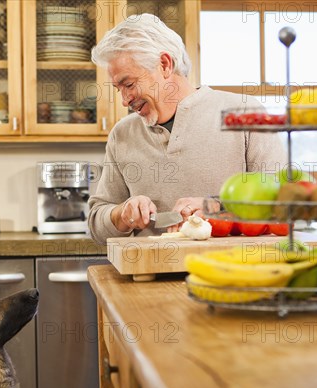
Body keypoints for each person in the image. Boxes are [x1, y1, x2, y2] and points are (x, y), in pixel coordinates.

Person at [88, 13, 286, 245]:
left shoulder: (245, 113)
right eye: (118, 88)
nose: (124, 100)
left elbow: (282, 204)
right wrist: (122, 214)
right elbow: (96, 225)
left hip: (232, 273)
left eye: (129, 84)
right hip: (149, 275)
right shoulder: (122, 134)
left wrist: (216, 208)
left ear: (165, 64)